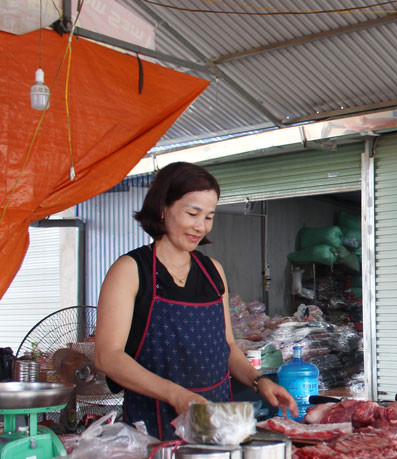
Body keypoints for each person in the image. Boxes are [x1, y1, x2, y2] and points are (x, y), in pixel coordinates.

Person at [95, 162, 296, 440]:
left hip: (216, 422)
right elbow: (108, 356)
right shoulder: (130, 270)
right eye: (193, 213)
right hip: (152, 428)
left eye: (209, 217)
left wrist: (259, 382)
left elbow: (227, 346)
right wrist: (176, 395)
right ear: (163, 208)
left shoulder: (213, 271)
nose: (201, 227)